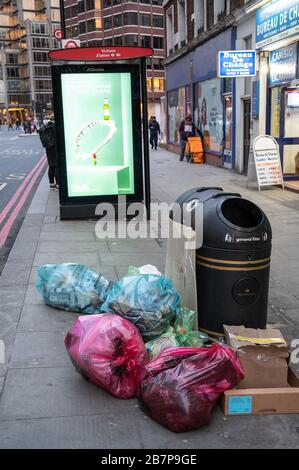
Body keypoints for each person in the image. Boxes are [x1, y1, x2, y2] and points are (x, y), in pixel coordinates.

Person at [39, 116, 59, 189]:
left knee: (51, 166)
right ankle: (58, 184)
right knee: (57, 166)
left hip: (48, 149)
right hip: (55, 148)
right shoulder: (53, 127)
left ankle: (51, 184)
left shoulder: (42, 129)